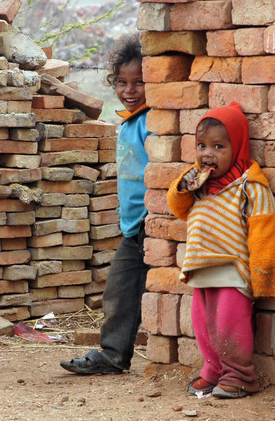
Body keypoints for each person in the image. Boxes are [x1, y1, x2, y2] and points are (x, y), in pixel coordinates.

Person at [167, 102, 275, 398]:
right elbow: (178, 208)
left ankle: (241, 375)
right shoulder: (197, 184)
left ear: (237, 147)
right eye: (201, 145)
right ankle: (214, 369)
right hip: (201, 267)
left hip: (233, 269)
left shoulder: (249, 185)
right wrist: (183, 186)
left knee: (229, 324)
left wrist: (262, 276)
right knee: (203, 326)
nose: (207, 153)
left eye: (218, 146)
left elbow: (264, 230)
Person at [60, 34, 151, 374]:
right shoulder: (128, 122)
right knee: (118, 292)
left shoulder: (152, 123)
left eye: (139, 82)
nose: (130, 90)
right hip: (132, 225)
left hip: (151, 222)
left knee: (132, 290)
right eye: (123, 82)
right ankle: (113, 356)